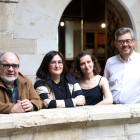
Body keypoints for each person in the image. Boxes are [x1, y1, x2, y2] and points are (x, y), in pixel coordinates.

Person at [104, 27, 140, 104]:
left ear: (133, 41)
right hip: (112, 108)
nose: (125, 44)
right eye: (121, 42)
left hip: (135, 110)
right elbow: (105, 86)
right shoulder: (110, 62)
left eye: (128, 41)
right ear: (116, 44)